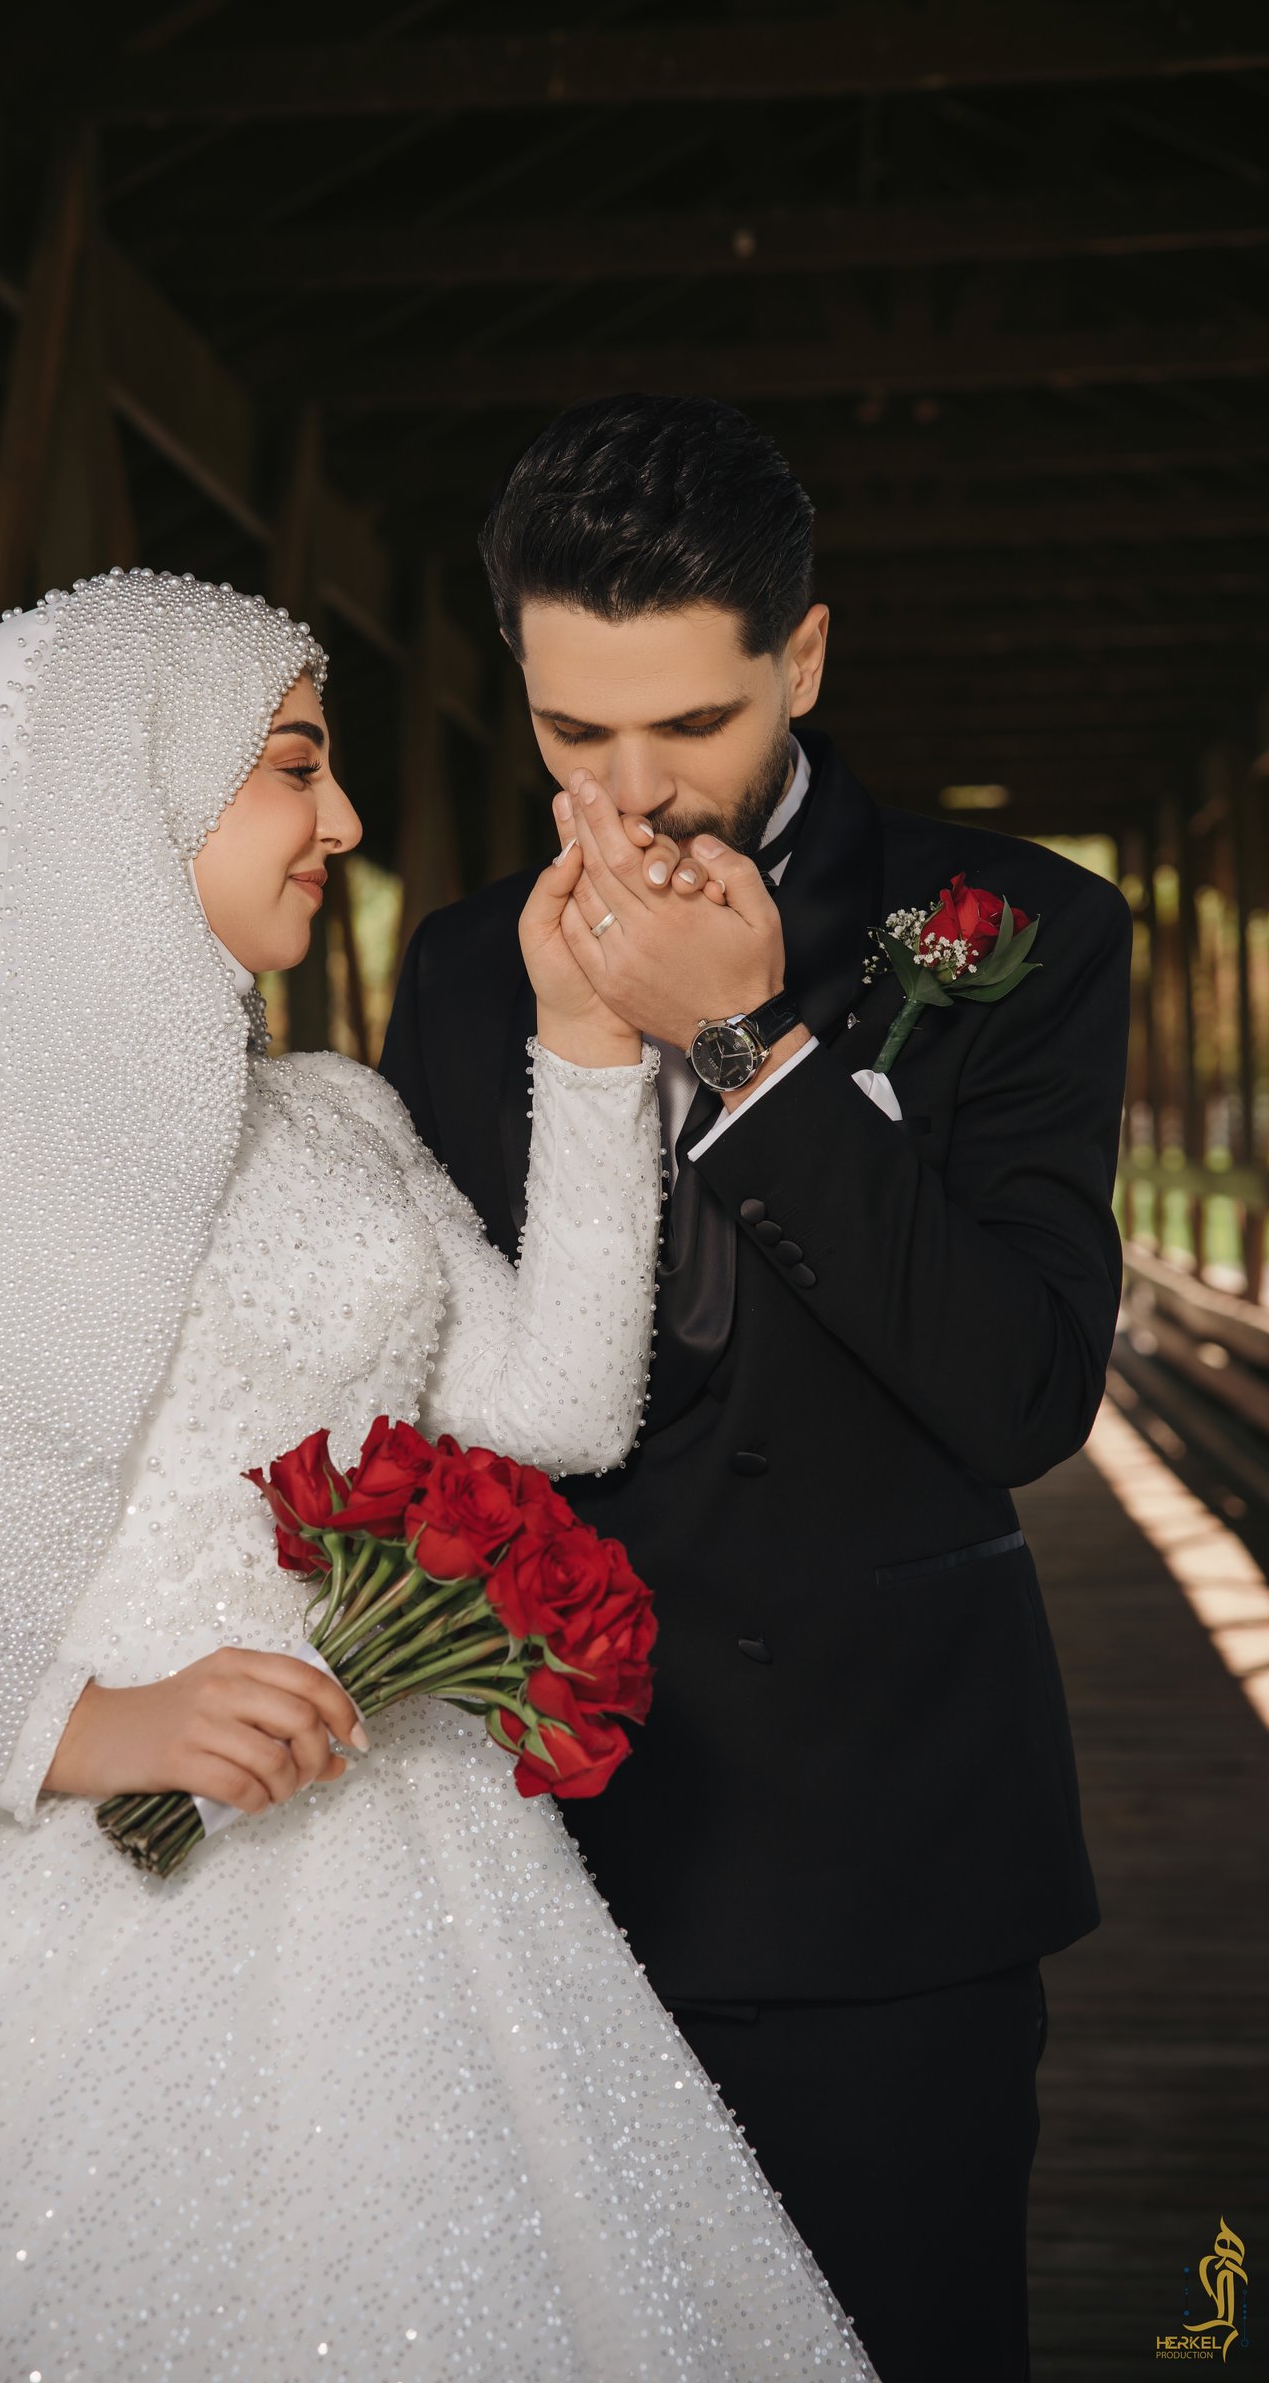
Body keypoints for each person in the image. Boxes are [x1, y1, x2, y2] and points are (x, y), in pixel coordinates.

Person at [0, 571, 876, 2382]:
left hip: (427, 1878)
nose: (349, 820)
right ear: (122, 786)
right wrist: (80, 1726)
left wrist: (587, 1044)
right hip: (69, 1899)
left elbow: (560, 1408)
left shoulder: (334, 1117)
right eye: (298, 766)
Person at [380, 394, 1134, 2383]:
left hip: (888, 1857)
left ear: (800, 657)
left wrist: (743, 1052)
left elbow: (1022, 1393)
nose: (631, 791)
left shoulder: (1025, 932)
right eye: (570, 731)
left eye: (690, 724)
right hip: (537, 1860)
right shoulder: (456, 970)